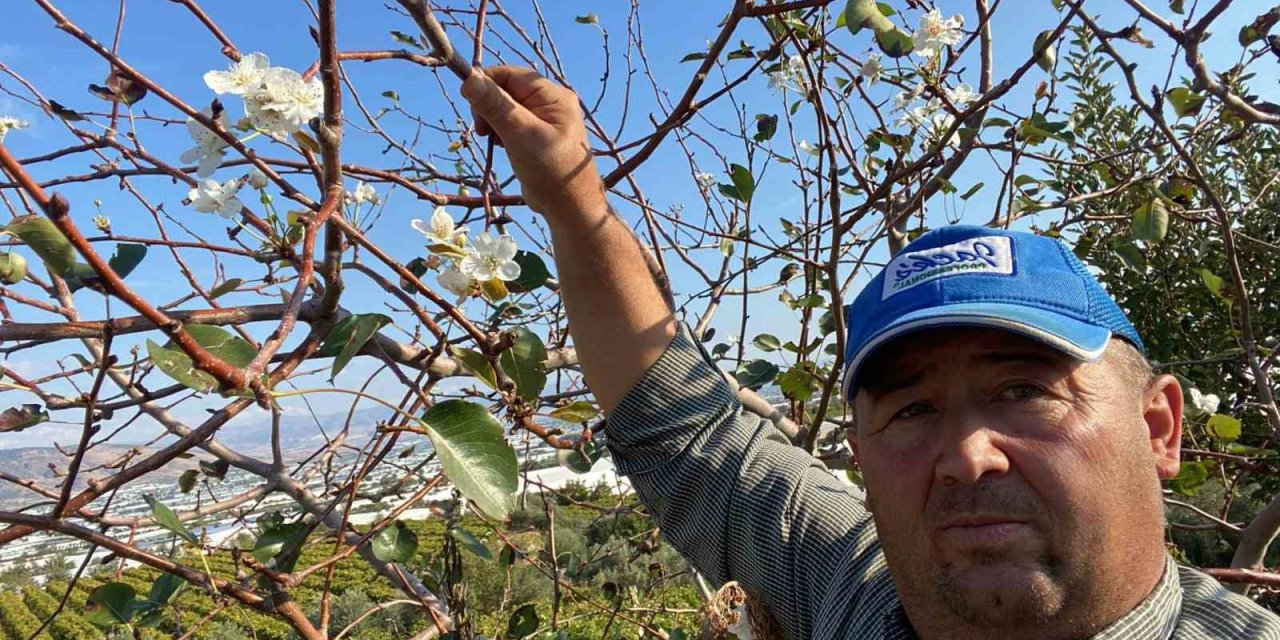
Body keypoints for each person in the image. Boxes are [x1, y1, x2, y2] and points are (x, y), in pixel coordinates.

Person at [459, 65, 1280, 639]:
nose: (965, 455)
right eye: (912, 409)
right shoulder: (854, 595)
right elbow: (688, 428)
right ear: (860, 455)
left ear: (1160, 426)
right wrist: (571, 199)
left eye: (1024, 390)